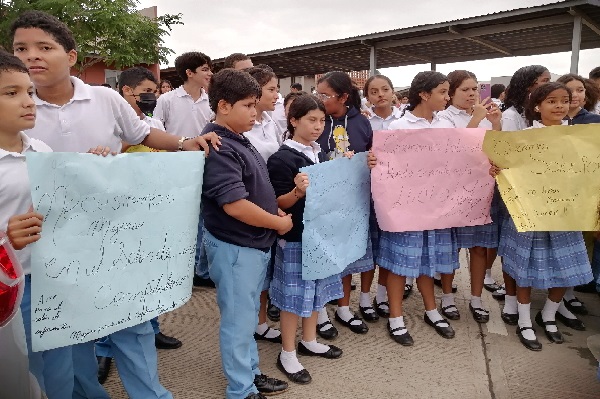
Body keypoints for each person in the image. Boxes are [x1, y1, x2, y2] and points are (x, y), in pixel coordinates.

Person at [11, 10, 219, 399]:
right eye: (21, 48)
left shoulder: (105, 98)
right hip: (49, 247)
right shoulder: (15, 108)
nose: (31, 56)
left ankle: (151, 394)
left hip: (112, 235)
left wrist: (184, 144)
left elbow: (142, 134)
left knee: (131, 321)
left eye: (44, 47)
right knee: (66, 337)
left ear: (71, 56)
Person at [200, 68, 291, 399]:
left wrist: (273, 210)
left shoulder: (237, 138)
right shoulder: (221, 145)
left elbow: (253, 190)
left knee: (247, 314)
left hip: (250, 245)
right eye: (248, 105)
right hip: (235, 247)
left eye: (256, 105)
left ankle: (250, 373)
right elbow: (235, 205)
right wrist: (277, 222)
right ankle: (240, 390)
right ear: (224, 106)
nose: (256, 112)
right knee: (238, 322)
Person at [94, 66, 183, 385]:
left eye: (156, 90)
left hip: (154, 211)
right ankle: (103, 348)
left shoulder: (154, 123)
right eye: (147, 90)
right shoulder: (111, 126)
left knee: (150, 278)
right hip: (122, 217)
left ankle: (153, 328)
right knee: (118, 286)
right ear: (127, 92)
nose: (153, 96)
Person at [492, 82, 592, 351]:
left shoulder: (582, 138)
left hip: (566, 214)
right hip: (529, 213)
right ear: (538, 106)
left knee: (566, 268)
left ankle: (548, 315)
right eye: (551, 100)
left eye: (564, 100)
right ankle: (525, 320)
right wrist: (498, 168)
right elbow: (507, 167)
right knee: (522, 268)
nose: (559, 105)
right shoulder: (524, 137)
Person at [267, 94, 344, 385]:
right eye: (311, 120)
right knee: (293, 298)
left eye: (322, 120)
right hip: (297, 237)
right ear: (294, 120)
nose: (318, 126)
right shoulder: (282, 158)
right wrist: (297, 192)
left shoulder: (318, 152)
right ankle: (287, 352)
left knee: (315, 293)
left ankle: (309, 340)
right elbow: (278, 202)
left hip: (319, 235)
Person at [0, 50, 63, 399]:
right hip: (10, 290)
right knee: (21, 375)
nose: (28, 102)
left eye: (29, 91)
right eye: (11, 93)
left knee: (57, 371)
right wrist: (6, 238)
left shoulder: (40, 149)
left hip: (50, 279)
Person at [382, 71, 458, 342]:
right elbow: (388, 168)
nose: (447, 97)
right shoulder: (398, 128)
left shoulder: (446, 126)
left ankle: (431, 310)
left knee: (429, 260)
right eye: (442, 92)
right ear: (425, 94)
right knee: (400, 264)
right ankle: (396, 317)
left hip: (436, 209)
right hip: (406, 209)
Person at [436, 70, 502, 324]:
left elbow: (496, 148)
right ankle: (448, 297)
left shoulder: (486, 116)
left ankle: (476, 298)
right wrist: (476, 120)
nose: (472, 93)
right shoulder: (443, 118)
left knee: (479, 248)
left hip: (482, 190)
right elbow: (454, 151)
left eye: (475, 88)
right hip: (453, 191)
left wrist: (495, 124)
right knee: (451, 246)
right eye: (465, 89)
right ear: (451, 92)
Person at [314, 71, 375, 338]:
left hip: (353, 202)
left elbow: (371, 155)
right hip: (322, 203)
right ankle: (320, 311)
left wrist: (371, 162)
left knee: (348, 257)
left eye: (325, 95)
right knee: (324, 256)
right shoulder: (315, 120)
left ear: (343, 97)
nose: (320, 99)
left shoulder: (362, 122)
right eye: (318, 94)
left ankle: (343, 307)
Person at [154, 52, 215, 289]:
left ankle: (200, 270)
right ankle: (176, 268)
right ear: (189, 73)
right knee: (177, 219)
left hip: (206, 163)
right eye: (205, 69)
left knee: (202, 217)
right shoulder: (167, 100)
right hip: (175, 166)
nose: (210, 73)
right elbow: (156, 130)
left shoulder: (211, 100)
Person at [493, 65, 550, 313]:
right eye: (543, 81)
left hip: (541, 193)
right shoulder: (511, 117)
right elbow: (509, 155)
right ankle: (511, 298)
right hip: (518, 190)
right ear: (530, 85)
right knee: (514, 245)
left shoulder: (537, 117)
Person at [243, 66, 284, 345]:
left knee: (267, 270)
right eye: (271, 89)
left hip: (275, 202)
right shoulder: (241, 128)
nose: (277, 94)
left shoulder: (271, 120)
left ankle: (260, 322)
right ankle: (248, 327)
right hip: (252, 207)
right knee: (252, 275)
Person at [556, 73, 600, 314]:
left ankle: (569, 293)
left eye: (580, 90)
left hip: (586, 195)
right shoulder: (548, 123)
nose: (575, 95)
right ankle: (556, 297)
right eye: (569, 90)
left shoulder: (595, 122)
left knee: (581, 245)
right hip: (554, 196)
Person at [362, 74, 405, 319]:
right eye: (374, 91)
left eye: (385, 89)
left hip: (397, 194)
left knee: (388, 246)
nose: (380, 95)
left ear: (392, 91)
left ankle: (381, 294)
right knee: (370, 245)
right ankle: (365, 296)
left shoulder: (404, 120)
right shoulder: (364, 121)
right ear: (367, 96)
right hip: (370, 191)